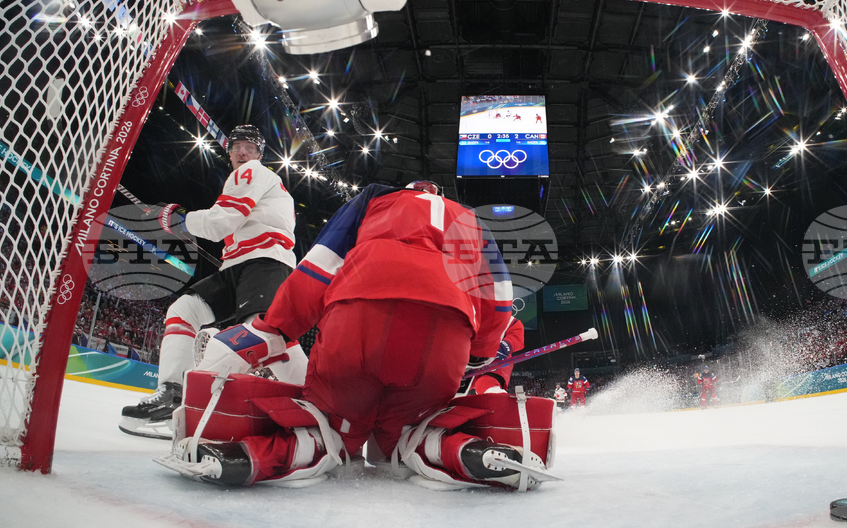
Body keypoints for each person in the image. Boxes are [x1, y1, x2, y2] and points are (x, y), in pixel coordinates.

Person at [165, 180, 553, 490]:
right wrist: (478, 355)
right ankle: (471, 453)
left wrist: (277, 326)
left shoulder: (375, 198)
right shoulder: (470, 220)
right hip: (443, 331)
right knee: (410, 436)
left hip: (361, 313)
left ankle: (244, 458)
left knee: (330, 431)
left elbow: (319, 266)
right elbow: (500, 297)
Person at [119, 125, 304, 439]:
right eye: (236, 147)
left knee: (262, 333)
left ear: (260, 154)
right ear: (228, 152)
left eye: (249, 147)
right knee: (184, 310)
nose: (242, 152)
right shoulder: (257, 182)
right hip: (239, 265)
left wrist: (180, 219)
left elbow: (221, 223)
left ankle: (312, 396)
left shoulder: (253, 173)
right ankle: (173, 395)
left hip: (264, 263)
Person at [463, 317, 524, 395]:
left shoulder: (495, 315)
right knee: (454, 387)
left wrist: (507, 345)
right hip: (468, 363)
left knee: (485, 383)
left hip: (495, 360)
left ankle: (497, 397)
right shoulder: (459, 318)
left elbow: (515, 327)